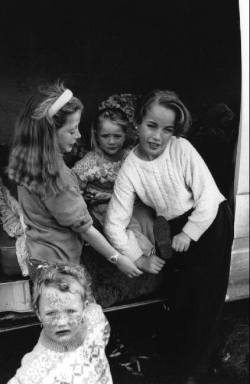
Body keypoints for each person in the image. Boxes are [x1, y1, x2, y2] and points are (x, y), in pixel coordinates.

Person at [104, 90, 233, 383]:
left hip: (210, 222)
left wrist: (189, 232)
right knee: (181, 295)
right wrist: (137, 256)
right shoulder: (130, 168)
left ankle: (195, 371)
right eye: (151, 125)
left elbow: (209, 198)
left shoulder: (182, 149)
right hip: (177, 228)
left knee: (205, 298)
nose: (157, 137)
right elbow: (114, 223)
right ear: (137, 123)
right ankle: (180, 361)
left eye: (167, 129)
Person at [7, 82, 143, 280]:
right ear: (48, 133)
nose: (78, 136)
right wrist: (118, 258)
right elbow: (86, 230)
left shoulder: (26, 159)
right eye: (71, 131)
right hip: (61, 267)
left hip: (38, 257)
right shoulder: (57, 176)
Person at [72, 103, 158, 260]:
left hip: (129, 201)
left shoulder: (129, 156)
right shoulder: (90, 163)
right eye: (105, 136)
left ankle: (158, 246)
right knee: (127, 225)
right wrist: (85, 201)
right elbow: (73, 187)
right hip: (105, 204)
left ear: (126, 135)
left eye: (117, 136)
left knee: (146, 217)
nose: (111, 141)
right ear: (96, 135)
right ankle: (141, 254)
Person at [7, 263, 113, 384]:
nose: (62, 322)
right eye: (51, 313)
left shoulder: (95, 318)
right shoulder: (33, 372)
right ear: (38, 313)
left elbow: (104, 333)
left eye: (71, 311)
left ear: (85, 307)